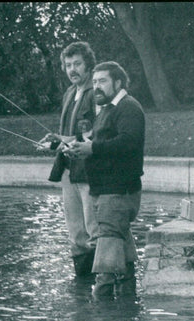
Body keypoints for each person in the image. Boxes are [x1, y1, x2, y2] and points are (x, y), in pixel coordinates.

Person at [65, 61, 145, 298]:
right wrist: (78, 147)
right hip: (107, 191)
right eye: (95, 81)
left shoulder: (128, 108)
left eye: (103, 81)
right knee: (124, 254)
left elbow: (127, 143)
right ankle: (128, 307)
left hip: (118, 192)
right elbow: (99, 142)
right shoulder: (109, 108)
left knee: (105, 268)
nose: (97, 86)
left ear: (118, 82)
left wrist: (92, 149)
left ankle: (101, 318)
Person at [38, 42, 99, 278]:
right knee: (75, 232)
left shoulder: (96, 93)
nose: (72, 69)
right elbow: (69, 133)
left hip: (89, 172)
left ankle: (102, 287)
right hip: (68, 171)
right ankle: (82, 285)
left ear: (88, 65)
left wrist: (63, 141)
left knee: (94, 230)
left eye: (77, 64)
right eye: (68, 65)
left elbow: (95, 134)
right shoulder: (70, 93)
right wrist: (54, 140)